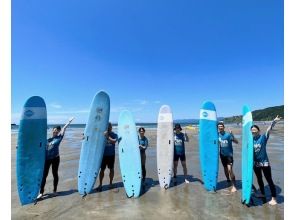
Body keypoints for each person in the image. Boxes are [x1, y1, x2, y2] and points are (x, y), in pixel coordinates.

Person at [37, 117, 74, 199]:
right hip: (46, 159)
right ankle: (41, 192)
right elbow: (37, 144)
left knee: (55, 174)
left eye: (56, 131)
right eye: (54, 130)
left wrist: (68, 122)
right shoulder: (47, 140)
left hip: (55, 159)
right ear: (52, 131)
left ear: (58, 132)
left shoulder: (59, 138)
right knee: (44, 175)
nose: (55, 131)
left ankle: (54, 191)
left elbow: (64, 128)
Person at [251, 115, 282, 206]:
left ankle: (274, 198)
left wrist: (274, 121)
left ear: (258, 130)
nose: (253, 130)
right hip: (255, 164)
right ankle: (262, 193)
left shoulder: (263, 138)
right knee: (259, 179)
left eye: (254, 129)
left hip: (264, 163)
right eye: (251, 129)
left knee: (269, 180)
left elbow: (269, 129)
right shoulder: (251, 140)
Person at [217, 121, 238, 192]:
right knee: (225, 169)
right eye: (219, 127)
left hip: (229, 155)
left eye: (221, 126)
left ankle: (234, 186)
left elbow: (236, 142)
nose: (220, 128)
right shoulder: (217, 135)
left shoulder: (228, 135)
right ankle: (228, 180)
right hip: (222, 155)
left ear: (223, 127)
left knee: (230, 170)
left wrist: (232, 134)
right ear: (218, 128)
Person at [97, 122, 118, 191]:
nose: (108, 127)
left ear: (111, 127)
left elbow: (114, 141)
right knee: (102, 170)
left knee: (111, 169)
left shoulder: (114, 134)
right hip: (103, 155)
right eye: (107, 126)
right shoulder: (101, 134)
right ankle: (100, 184)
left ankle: (111, 183)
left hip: (111, 155)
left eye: (110, 126)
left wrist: (107, 136)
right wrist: (85, 136)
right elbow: (94, 140)